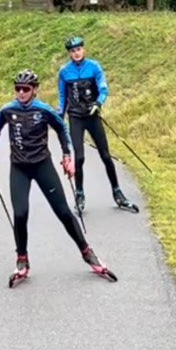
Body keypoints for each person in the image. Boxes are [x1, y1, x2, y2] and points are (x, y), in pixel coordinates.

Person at [0, 69, 116, 287]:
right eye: (17, 89)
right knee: (20, 213)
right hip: (19, 168)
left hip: (42, 165)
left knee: (63, 211)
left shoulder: (43, 110)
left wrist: (67, 156)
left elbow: (62, 129)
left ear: (35, 90)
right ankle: (22, 260)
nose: (21, 93)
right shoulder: (8, 110)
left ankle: (87, 253)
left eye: (25, 89)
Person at [56, 35, 137, 215]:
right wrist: (58, 116)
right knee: (79, 158)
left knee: (106, 156)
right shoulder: (64, 71)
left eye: (78, 50)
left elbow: (103, 88)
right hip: (75, 117)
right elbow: (62, 97)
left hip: (92, 116)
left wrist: (98, 103)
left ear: (83, 49)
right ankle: (79, 194)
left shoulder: (94, 67)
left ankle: (117, 192)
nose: (76, 53)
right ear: (69, 53)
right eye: (72, 51)